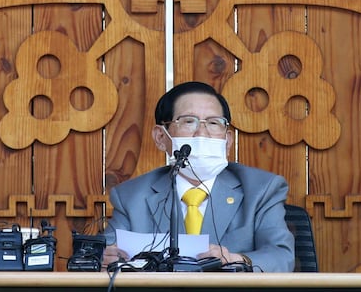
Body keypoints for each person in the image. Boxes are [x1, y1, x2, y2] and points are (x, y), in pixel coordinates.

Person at [102, 81, 295, 272]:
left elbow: (282, 257)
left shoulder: (261, 189)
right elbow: (105, 254)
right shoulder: (131, 196)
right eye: (188, 121)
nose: (202, 133)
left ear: (227, 140)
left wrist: (237, 259)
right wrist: (105, 258)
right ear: (161, 137)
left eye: (213, 123)